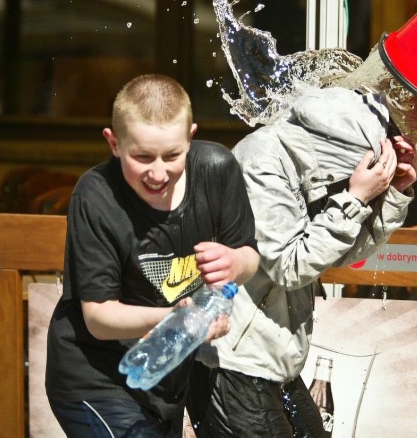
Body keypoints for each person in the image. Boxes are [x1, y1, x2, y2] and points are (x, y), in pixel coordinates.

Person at [192, 87, 417, 437]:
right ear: (345, 151)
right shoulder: (262, 163)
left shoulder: (307, 162)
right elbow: (291, 265)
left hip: (272, 360)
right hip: (236, 363)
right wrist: (354, 198)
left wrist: (392, 195)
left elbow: (334, 253)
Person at [46, 73, 260, 437]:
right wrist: (179, 320)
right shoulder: (95, 196)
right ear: (113, 143)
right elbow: (98, 317)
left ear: (190, 137)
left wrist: (236, 263)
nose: (158, 172)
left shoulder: (217, 170)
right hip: (94, 374)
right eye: (142, 157)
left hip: (164, 372)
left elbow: (249, 256)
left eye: (172, 155)